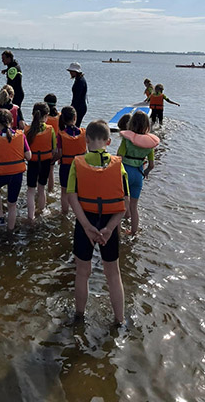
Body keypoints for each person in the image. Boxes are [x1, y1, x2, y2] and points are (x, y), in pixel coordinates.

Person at [67, 119, 129, 325]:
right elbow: (125, 203)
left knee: (82, 272)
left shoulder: (77, 163)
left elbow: (72, 198)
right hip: (110, 223)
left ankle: (79, 316)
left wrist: (86, 225)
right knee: (113, 273)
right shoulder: (119, 167)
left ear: (86, 140)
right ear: (108, 142)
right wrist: (110, 228)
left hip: (86, 221)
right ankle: (119, 320)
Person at [117, 111, 159, 235]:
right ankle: (133, 231)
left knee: (120, 204)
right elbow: (151, 165)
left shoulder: (127, 140)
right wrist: (145, 172)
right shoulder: (149, 145)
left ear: (131, 124)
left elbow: (119, 158)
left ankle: (118, 232)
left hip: (125, 173)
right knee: (134, 207)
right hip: (139, 175)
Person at [25, 102, 57, 221]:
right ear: (46, 115)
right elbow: (54, 150)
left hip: (32, 163)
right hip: (45, 163)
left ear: (33, 114)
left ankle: (30, 216)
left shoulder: (27, 130)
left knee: (30, 191)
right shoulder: (50, 129)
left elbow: (24, 150)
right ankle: (42, 211)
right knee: (42, 188)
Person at [57, 106, 86, 214]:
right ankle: (79, 213)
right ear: (75, 117)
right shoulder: (83, 132)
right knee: (78, 191)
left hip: (66, 167)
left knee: (64, 192)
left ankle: (64, 213)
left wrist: (52, 160)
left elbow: (59, 153)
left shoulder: (61, 134)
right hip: (80, 167)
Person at [44, 93, 60, 192]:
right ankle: (50, 191)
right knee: (51, 171)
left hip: (45, 147)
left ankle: (40, 192)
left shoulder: (44, 118)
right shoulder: (59, 116)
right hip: (56, 148)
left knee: (40, 172)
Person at [66, 62, 87, 127]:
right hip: (79, 106)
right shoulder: (78, 79)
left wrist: (72, 108)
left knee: (74, 126)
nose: (70, 73)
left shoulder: (80, 82)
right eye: (70, 71)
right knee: (74, 126)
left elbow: (77, 97)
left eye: (72, 71)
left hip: (79, 108)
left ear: (76, 71)